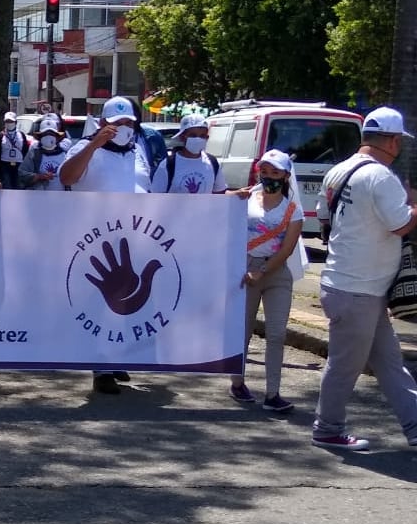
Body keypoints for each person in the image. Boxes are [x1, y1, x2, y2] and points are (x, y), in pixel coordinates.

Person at [310, 106, 417, 451]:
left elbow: (324, 216)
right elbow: (401, 224)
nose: (399, 146)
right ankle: (327, 427)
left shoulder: (338, 171)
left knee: (390, 364)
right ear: (391, 140)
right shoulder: (381, 177)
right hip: (358, 290)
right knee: (345, 366)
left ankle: (415, 426)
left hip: (353, 286)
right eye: (399, 140)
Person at [60, 96, 145, 394]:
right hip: (93, 240)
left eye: (128, 123)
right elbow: (66, 177)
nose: (123, 128)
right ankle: (102, 368)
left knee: (126, 302)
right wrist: (94, 145)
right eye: (117, 123)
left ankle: (116, 356)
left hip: (134, 237)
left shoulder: (138, 152)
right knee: (101, 302)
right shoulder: (84, 149)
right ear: (103, 124)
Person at [229, 149, 301, 412]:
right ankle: (237, 382)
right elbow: (219, 207)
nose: (269, 176)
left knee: (277, 333)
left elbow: (286, 249)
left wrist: (264, 270)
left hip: (276, 272)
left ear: (285, 176)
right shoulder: (247, 199)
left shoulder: (292, 210)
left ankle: (273, 393)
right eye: (265, 171)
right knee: (243, 330)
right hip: (245, 268)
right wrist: (232, 196)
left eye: (275, 172)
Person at [148, 114, 226, 194]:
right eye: (193, 135)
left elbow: (220, 194)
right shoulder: (168, 165)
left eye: (202, 136)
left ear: (207, 137)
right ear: (182, 137)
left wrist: (237, 193)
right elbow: (155, 198)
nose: (198, 139)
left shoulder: (212, 162)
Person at [20, 114, 70, 190]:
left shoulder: (65, 153)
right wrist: (39, 177)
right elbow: (22, 173)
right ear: (40, 137)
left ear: (56, 137)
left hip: (61, 196)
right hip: (39, 196)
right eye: (45, 134)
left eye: (51, 134)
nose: (48, 137)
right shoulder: (34, 152)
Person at [0, 111, 30, 190]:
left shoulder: (21, 135)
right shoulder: (0, 135)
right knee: (6, 185)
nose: (9, 123)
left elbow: (26, 150)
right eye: (7, 121)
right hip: (4, 165)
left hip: (19, 164)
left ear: (15, 122)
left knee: (18, 185)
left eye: (11, 121)